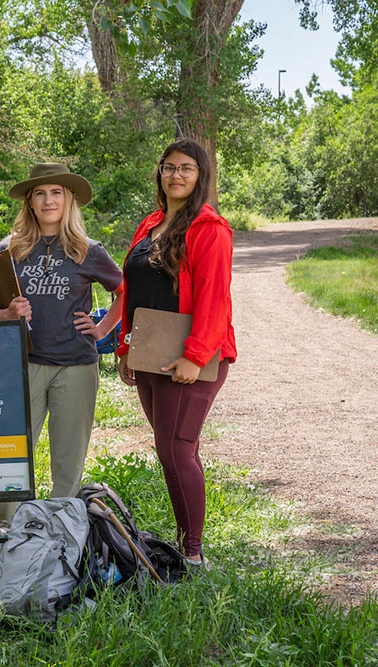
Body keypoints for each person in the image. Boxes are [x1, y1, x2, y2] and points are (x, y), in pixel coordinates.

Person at [116, 139, 236, 568]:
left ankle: (194, 555)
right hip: (148, 352)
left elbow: (214, 298)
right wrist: (125, 346)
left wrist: (196, 355)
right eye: (169, 167)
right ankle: (189, 546)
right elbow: (133, 290)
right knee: (169, 446)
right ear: (160, 173)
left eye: (187, 168)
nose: (177, 175)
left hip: (187, 356)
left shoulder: (209, 228)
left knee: (176, 449)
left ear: (201, 176)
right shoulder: (150, 224)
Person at [0, 163, 124, 523]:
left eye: (56, 192)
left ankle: (61, 536)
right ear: (29, 201)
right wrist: (5, 314)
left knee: (68, 459)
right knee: (13, 452)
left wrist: (104, 327)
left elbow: (125, 290)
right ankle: (4, 536)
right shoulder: (8, 250)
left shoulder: (88, 250)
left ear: (68, 200)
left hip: (75, 364)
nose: (48, 200)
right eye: (40, 193)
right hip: (22, 365)